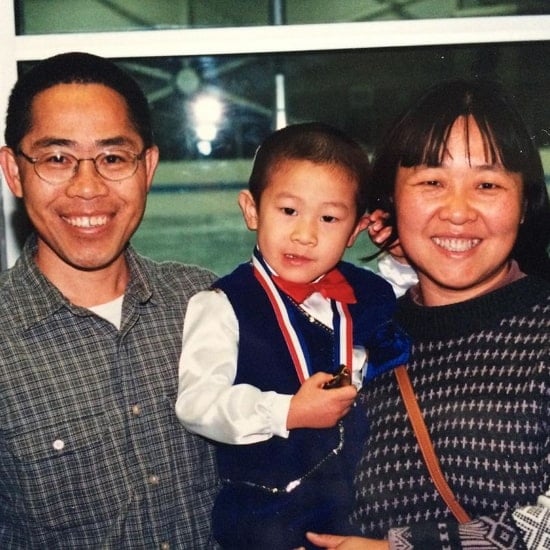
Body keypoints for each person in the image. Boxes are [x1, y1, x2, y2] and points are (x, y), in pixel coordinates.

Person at [305, 79, 550, 549]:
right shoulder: (352, 343)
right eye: (432, 182)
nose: (457, 211)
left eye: (487, 184)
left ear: (524, 205)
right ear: (391, 204)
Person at [0, 52, 219, 548]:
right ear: (14, 172)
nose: (87, 188)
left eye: (113, 158)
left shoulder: (206, 302)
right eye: (56, 158)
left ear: (148, 167)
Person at [175, 122, 410, 549]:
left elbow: (414, 326)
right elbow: (197, 405)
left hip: (363, 520)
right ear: (252, 210)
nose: (305, 234)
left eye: (329, 218)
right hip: (266, 523)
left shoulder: (369, 293)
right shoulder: (222, 304)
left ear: (355, 229)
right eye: (288, 211)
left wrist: (405, 250)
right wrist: (285, 411)